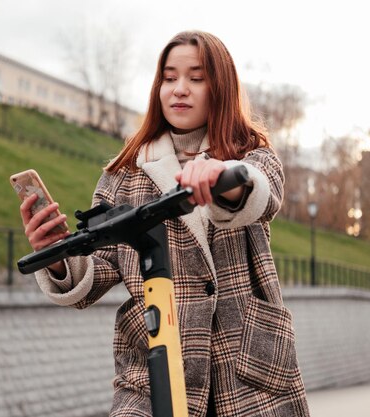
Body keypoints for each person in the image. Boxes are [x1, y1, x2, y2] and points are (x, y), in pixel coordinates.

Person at [19, 30, 310, 417]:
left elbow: (260, 192)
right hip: (152, 367)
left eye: (196, 77)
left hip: (249, 365)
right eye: (169, 78)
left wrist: (222, 178)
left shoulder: (251, 155)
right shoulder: (124, 174)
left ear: (219, 86)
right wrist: (54, 255)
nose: (180, 89)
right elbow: (102, 266)